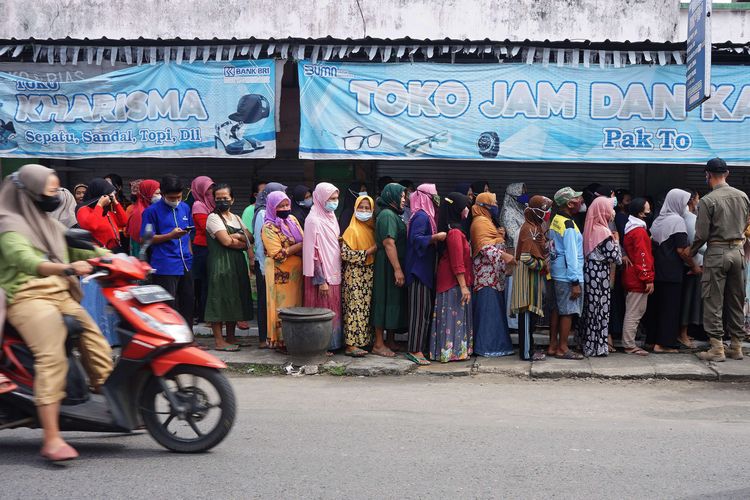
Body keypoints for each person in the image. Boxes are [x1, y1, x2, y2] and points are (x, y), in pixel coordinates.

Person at [0, 164, 113, 461]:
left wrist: (115, 259)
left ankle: (116, 403)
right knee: (51, 357)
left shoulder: (47, 223)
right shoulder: (9, 225)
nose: (56, 196)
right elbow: (24, 259)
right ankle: (51, 438)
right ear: (29, 193)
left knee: (95, 340)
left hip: (60, 292)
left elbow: (77, 247)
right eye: (50, 191)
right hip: (27, 297)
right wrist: (65, 267)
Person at [692, 158, 750, 361]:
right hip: (738, 252)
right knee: (736, 300)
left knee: (713, 300)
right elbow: (746, 224)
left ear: (708, 175)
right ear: (727, 174)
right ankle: (736, 346)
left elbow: (701, 235)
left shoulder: (708, 200)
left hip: (717, 252)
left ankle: (717, 348)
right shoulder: (743, 196)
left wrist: (690, 253)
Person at [649, 189, 701, 354]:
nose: (686, 206)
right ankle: (663, 344)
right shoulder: (677, 221)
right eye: (684, 202)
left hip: (658, 269)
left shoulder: (658, 220)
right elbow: (681, 250)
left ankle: (652, 341)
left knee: (657, 306)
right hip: (672, 271)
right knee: (670, 308)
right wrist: (694, 266)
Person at [205, 183, 254, 352]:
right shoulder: (213, 218)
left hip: (236, 264)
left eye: (225, 198)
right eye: (218, 199)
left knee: (234, 298)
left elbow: (250, 238)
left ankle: (231, 337)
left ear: (232, 199)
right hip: (220, 263)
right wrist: (241, 243)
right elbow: (225, 241)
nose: (222, 201)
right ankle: (219, 341)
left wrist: (238, 236)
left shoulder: (236, 217)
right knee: (219, 298)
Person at [141, 174, 194, 324]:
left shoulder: (185, 207)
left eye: (179, 197)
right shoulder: (151, 211)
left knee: (188, 303)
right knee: (168, 306)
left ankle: (188, 339)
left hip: (186, 263)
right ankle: (170, 340)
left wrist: (190, 253)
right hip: (165, 264)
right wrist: (169, 236)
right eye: (172, 198)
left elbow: (188, 234)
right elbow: (145, 238)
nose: (176, 201)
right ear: (163, 194)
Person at [429, 192, 473, 363]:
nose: (467, 210)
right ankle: (451, 352)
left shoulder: (455, 229)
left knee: (454, 318)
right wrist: (463, 286)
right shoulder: (454, 232)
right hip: (452, 283)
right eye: (464, 206)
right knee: (453, 317)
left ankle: (454, 351)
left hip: (453, 281)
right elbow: (457, 262)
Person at [404, 183, 445, 365]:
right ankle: (414, 349)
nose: (436, 198)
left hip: (424, 270)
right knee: (418, 313)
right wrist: (435, 238)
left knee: (425, 311)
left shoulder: (428, 216)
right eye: (433, 195)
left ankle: (420, 347)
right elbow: (416, 239)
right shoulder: (421, 216)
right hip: (417, 271)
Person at [472, 192, 516, 358]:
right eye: (493, 203)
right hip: (486, 277)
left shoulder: (487, 221)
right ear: (484, 205)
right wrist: (505, 256)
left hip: (494, 276)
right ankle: (487, 347)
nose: (496, 206)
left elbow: (493, 242)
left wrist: (500, 237)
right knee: (488, 312)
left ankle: (496, 345)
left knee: (495, 311)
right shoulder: (480, 223)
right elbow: (484, 247)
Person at [511, 195, 553, 361]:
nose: (548, 213)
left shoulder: (535, 226)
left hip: (531, 277)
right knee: (527, 315)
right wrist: (543, 266)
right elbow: (526, 258)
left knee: (530, 316)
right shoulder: (529, 229)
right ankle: (527, 353)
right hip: (527, 279)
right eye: (545, 210)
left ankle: (530, 349)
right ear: (536, 212)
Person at [261, 191, 304, 350]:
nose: (285, 208)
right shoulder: (268, 227)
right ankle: (281, 341)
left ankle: (294, 339)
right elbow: (277, 254)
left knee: (296, 305)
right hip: (280, 274)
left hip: (296, 273)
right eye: (281, 206)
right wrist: (299, 247)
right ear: (273, 207)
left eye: (287, 205)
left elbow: (303, 237)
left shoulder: (292, 220)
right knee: (282, 306)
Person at [580, 197, 622, 357]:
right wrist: (616, 241)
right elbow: (615, 258)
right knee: (600, 310)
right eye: (610, 208)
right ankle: (598, 347)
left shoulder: (589, 229)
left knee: (591, 310)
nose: (613, 212)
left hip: (590, 272)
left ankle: (588, 344)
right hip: (600, 276)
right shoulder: (603, 232)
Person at [304, 182, 344, 351]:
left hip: (333, 271)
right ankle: (321, 346)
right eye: (331, 199)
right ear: (320, 199)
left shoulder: (331, 216)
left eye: (336, 198)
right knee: (322, 312)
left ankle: (333, 344)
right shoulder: (313, 220)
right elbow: (314, 253)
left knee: (332, 310)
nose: (335, 202)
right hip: (321, 277)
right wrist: (321, 281)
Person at [370, 183, 408, 357]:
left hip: (392, 263)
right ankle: (378, 343)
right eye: (401, 196)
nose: (404, 199)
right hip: (387, 265)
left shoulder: (393, 214)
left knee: (393, 300)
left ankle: (390, 340)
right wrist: (397, 269)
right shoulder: (386, 215)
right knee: (383, 299)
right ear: (391, 197)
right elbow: (388, 242)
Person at [548, 187, 585, 360]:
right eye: (578, 199)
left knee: (557, 310)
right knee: (567, 312)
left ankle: (553, 345)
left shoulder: (556, 219)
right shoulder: (569, 225)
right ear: (570, 204)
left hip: (557, 272)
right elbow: (571, 255)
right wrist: (575, 281)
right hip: (567, 275)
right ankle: (563, 348)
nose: (581, 201)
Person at [340, 195, 378, 357]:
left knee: (366, 309)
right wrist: (370, 251)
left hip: (369, 273)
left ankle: (364, 342)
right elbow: (346, 255)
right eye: (361, 208)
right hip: (354, 274)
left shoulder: (372, 229)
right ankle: (350, 345)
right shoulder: (351, 230)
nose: (364, 211)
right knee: (354, 308)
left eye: (367, 208)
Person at [252, 182, 286, 349]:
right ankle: (262, 338)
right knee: (265, 302)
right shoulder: (262, 213)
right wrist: (263, 268)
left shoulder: (275, 212)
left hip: (275, 265)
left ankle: (272, 336)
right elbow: (259, 243)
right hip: (265, 265)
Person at [621, 198, 653, 356]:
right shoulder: (639, 231)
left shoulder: (631, 228)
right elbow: (643, 256)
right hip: (637, 277)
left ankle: (630, 343)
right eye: (647, 208)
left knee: (635, 311)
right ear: (641, 212)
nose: (649, 210)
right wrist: (648, 277)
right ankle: (629, 345)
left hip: (633, 275)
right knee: (634, 312)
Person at [75, 178, 128, 252]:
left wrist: (115, 202)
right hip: (99, 253)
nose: (108, 198)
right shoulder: (83, 209)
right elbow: (91, 225)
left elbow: (124, 222)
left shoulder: (104, 210)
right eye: (106, 195)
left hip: (114, 250)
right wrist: (100, 204)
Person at [680, 189, 704, 348]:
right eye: (697, 198)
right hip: (692, 265)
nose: (698, 202)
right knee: (688, 302)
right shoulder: (690, 218)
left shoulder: (683, 216)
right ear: (691, 200)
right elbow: (697, 242)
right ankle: (682, 334)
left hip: (689, 264)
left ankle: (684, 333)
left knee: (688, 301)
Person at [190, 176, 215, 325]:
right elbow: (208, 226)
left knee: (209, 283)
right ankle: (203, 315)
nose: (211, 190)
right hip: (202, 248)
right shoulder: (198, 205)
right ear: (200, 189)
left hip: (212, 247)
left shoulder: (211, 203)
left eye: (212, 187)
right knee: (203, 282)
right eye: (208, 188)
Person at [127, 179, 160, 258]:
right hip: (142, 253)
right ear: (147, 193)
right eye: (157, 193)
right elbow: (141, 239)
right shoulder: (139, 213)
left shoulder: (151, 208)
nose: (160, 196)